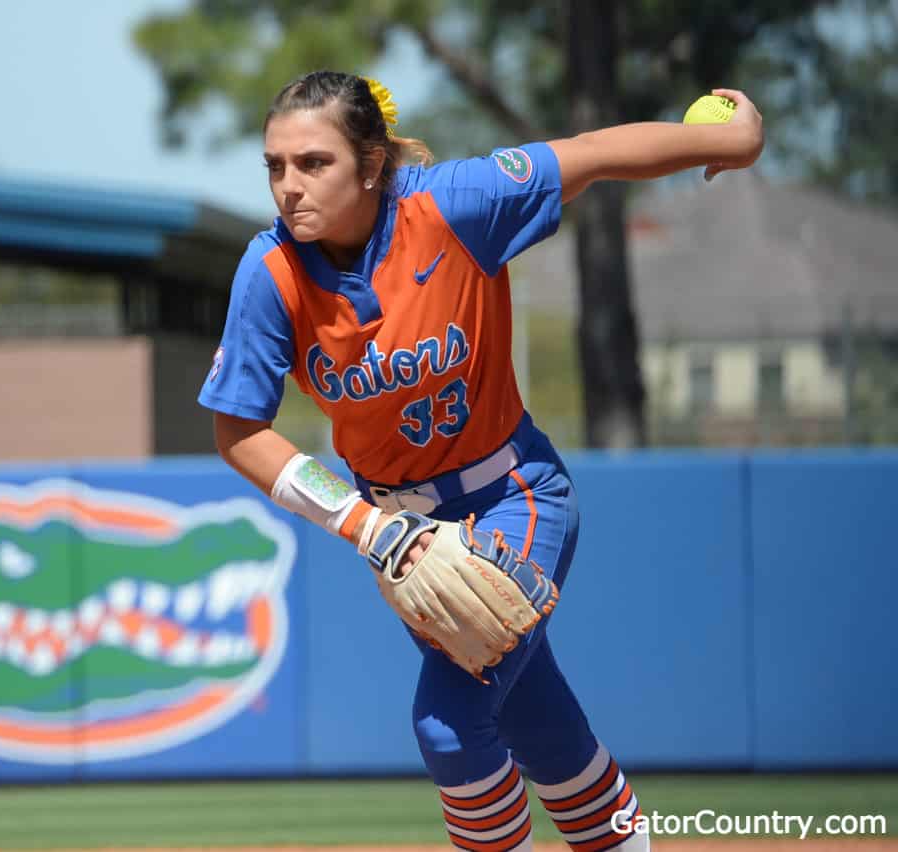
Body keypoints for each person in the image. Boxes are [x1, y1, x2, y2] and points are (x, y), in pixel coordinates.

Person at [198, 70, 762, 851]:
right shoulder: (271, 275)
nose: (288, 186)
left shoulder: (452, 205)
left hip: (514, 497)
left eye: (313, 163)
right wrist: (367, 527)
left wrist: (728, 138)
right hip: (404, 536)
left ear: (370, 164)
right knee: (543, 729)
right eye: (274, 165)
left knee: (451, 727)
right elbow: (239, 432)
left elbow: (592, 152)